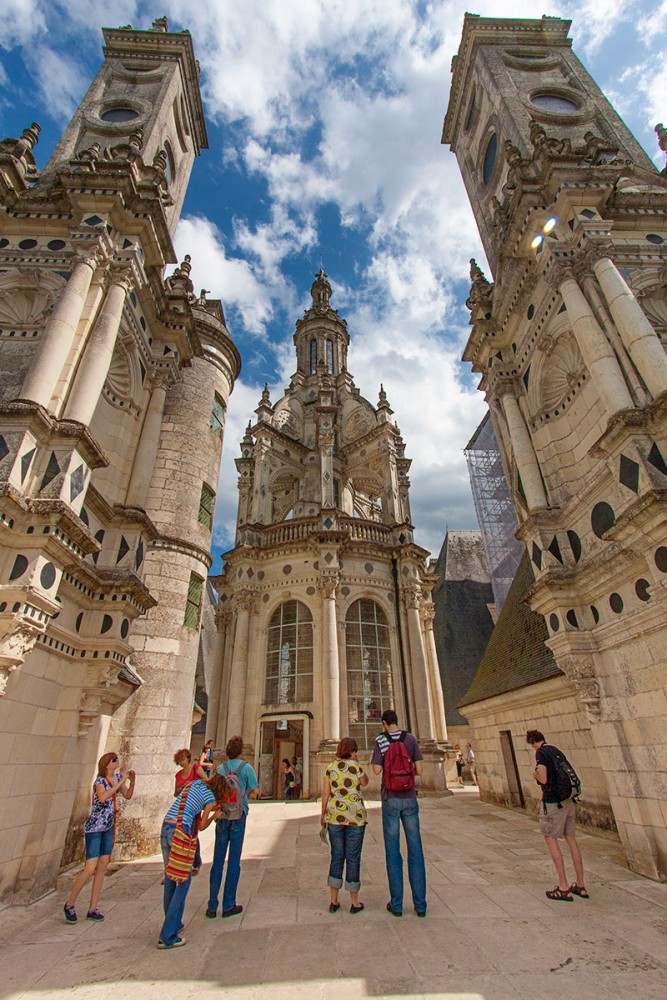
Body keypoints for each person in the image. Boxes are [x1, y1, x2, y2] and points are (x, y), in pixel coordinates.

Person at [159, 772, 232, 948]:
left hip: (166, 826)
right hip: (180, 830)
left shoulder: (195, 784)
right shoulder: (210, 798)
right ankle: (167, 935)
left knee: (170, 877)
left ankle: (173, 923)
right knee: (183, 880)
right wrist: (215, 815)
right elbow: (201, 825)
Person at [63, 752, 135, 923]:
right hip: (95, 828)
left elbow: (127, 795)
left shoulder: (117, 778)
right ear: (106, 765)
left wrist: (132, 782)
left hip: (108, 828)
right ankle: (69, 903)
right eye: (114, 760)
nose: (117, 761)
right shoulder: (100, 782)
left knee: (102, 867)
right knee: (90, 868)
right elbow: (103, 797)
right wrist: (121, 782)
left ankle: (93, 907)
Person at [371, 708, 427, 918]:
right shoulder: (410, 739)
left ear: (384, 723)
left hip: (390, 799)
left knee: (393, 851)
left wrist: (389, 767)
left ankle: (396, 904)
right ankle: (420, 905)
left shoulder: (381, 740)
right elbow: (420, 770)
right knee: (416, 849)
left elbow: (376, 770)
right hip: (410, 797)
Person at [526, 729, 588, 902]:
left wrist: (535, 774)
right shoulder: (555, 750)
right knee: (571, 838)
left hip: (554, 801)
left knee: (550, 838)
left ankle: (563, 887)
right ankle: (580, 885)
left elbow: (544, 778)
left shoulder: (541, 753)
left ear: (532, 743)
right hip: (569, 800)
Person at [206, 735, 259, 919]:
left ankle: (212, 905)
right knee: (234, 861)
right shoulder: (246, 768)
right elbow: (255, 791)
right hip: (238, 816)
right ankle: (229, 904)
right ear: (241, 750)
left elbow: (212, 792)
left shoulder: (220, 768)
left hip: (222, 816)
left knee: (218, 861)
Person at [321, 737, 369, 914]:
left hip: (334, 816)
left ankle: (334, 901)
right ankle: (354, 902)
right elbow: (365, 783)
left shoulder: (331, 767)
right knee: (353, 857)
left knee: (337, 856)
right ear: (352, 751)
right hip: (355, 817)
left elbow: (326, 794)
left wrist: (323, 815)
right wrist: (358, 764)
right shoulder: (355, 766)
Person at [173, 748, 207, 875]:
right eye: (179, 761)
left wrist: (193, 784)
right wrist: (180, 789)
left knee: (192, 833)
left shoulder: (196, 768)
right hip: (182, 806)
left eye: (183, 759)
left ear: (188, 758)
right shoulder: (178, 775)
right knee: (184, 833)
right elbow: (175, 793)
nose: (182, 762)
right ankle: (185, 860)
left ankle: (196, 862)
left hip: (194, 805)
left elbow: (206, 781)